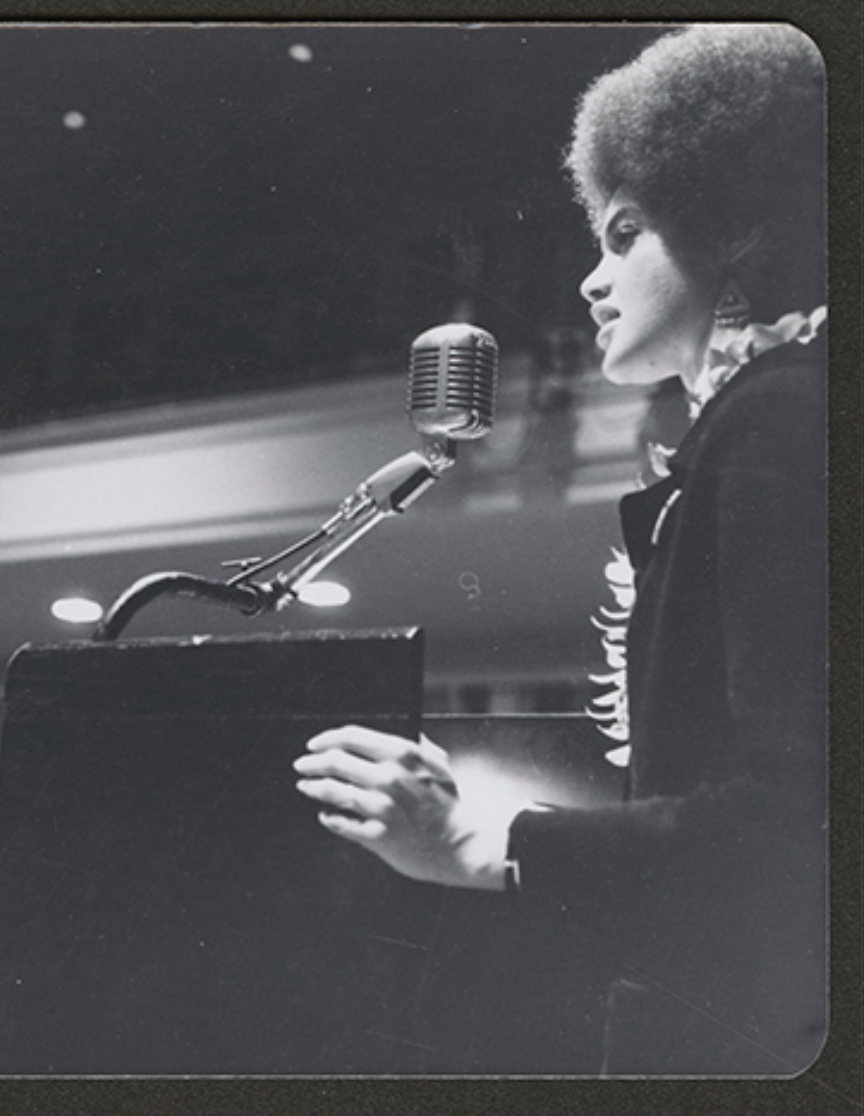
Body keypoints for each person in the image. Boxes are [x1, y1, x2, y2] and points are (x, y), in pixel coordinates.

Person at [293, 23, 827, 1076]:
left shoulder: (780, 424)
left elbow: (795, 833)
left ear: (733, 228)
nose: (590, 279)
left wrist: (470, 843)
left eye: (622, 233)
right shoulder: (766, 419)